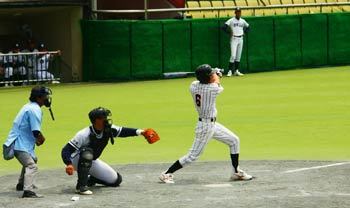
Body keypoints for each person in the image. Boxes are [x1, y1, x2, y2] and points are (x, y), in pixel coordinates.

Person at [159, 64, 253, 184]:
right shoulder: (212, 89)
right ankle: (167, 173)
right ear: (207, 78)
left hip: (212, 124)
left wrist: (213, 73)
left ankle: (236, 172)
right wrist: (217, 73)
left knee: (234, 140)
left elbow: (212, 80)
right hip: (205, 127)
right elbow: (216, 82)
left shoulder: (193, 86)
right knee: (193, 156)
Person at [61, 107, 159, 195]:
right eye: (103, 117)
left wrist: (141, 132)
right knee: (87, 153)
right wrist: (69, 163)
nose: (106, 119)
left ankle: (90, 179)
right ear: (97, 120)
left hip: (91, 160)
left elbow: (123, 131)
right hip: (76, 160)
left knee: (115, 180)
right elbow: (66, 150)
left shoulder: (108, 129)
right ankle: (81, 187)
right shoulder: (83, 134)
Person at [3, 86, 53, 198]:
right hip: (19, 144)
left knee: (33, 159)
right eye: (45, 96)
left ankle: (21, 184)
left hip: (20, 142)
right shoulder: (35, 109)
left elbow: (27, 127)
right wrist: (41, 138)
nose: (47, 98)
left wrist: (36, 139)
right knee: (32, 166)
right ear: (39, 98)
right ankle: (28, 191)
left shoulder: (28, 106)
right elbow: (36, 131)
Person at [222, 8, 249, 77]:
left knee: (238, 56)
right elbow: (223, 27)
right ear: (235, 13)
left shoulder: (242, 21)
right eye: (237, 12)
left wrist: (244, 32)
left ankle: (236, 71)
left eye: (239, 12)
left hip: (241, 39)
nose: (238, 13)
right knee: (233, 55)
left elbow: (248, 27)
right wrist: (229, 32)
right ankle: (230, 71)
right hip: (234, 38)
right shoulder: (231, 20)